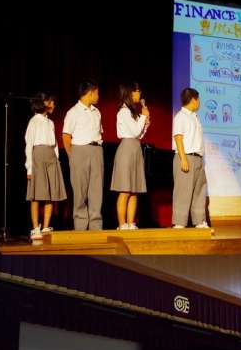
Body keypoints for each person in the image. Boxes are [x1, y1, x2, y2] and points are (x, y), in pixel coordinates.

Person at [62, 80, 103, 230]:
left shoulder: (97, 112)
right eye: (97, 93)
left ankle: (95, 226)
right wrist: (71, 156)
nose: (98, 96)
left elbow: (99, 132)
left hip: (96, 150)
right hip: (79, 151)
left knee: (96, 189)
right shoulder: (73, 112)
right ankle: (80, 225)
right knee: (80, 190)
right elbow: (66, 135)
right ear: (90, 93)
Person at [25, 93, 66, 240]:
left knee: (50, 194)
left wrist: (57, 160)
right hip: (38, 156)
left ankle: (46, 226)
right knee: (36, 195)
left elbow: (55, 144)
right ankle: (35, 227)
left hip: (51, 157)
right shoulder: (34, 121)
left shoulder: (50, 123)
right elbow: (29, 145)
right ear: (44, 103)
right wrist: (29, 167)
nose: (53, 105)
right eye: (51, 102)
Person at [111, 82, 149, 229]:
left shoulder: (133, 112)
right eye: (137, 91)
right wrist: (143, 117)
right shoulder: (124, 112)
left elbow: (139, 135)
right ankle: (122, 224)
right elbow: (133, 131)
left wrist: (145, 124)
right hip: (126, 150)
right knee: (125, 190)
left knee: (134, 190)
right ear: (130, 93)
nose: (140, 94)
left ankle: (131, 223)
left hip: (135, 148)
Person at [172, 87, 208, 229]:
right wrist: (183, 159)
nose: (199, 102)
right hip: (186, 156)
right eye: (198, 99)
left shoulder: (195, 117)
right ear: (194, 99)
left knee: (199, 190)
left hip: (198, 158)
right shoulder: (181, 116)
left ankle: (199, 220)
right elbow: (178, 138)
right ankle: (179, 222)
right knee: (183, 191)